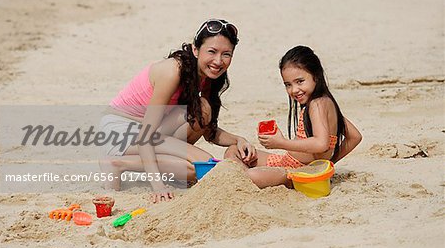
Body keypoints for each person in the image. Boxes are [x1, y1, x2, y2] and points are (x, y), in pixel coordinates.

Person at [99, 19, 256, 202]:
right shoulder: (173, 71)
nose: (218, 61)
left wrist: (239, 140)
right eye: (212, 52)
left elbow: (209, 132)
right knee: (201, 166)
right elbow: (145, 134)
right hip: (120, 130)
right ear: (195, 50)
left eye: (226, 54)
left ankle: (166, 164)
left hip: (148, 130)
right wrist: (158, 185)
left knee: (203, 110)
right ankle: (117, 164)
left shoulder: (208, 74)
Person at [224, 45, 362, 188]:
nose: (294, 90)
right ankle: (247, 175)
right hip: (286, 161)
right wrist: (326, 164)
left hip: (295, 172)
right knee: (233, 150)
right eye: (288, 84)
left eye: (300, 81)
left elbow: (321, 144)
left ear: (316, 75)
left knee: (250, 176)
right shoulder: (326, 102)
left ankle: (247, 177)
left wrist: (281, 143)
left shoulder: (318, 104)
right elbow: (355, 136)